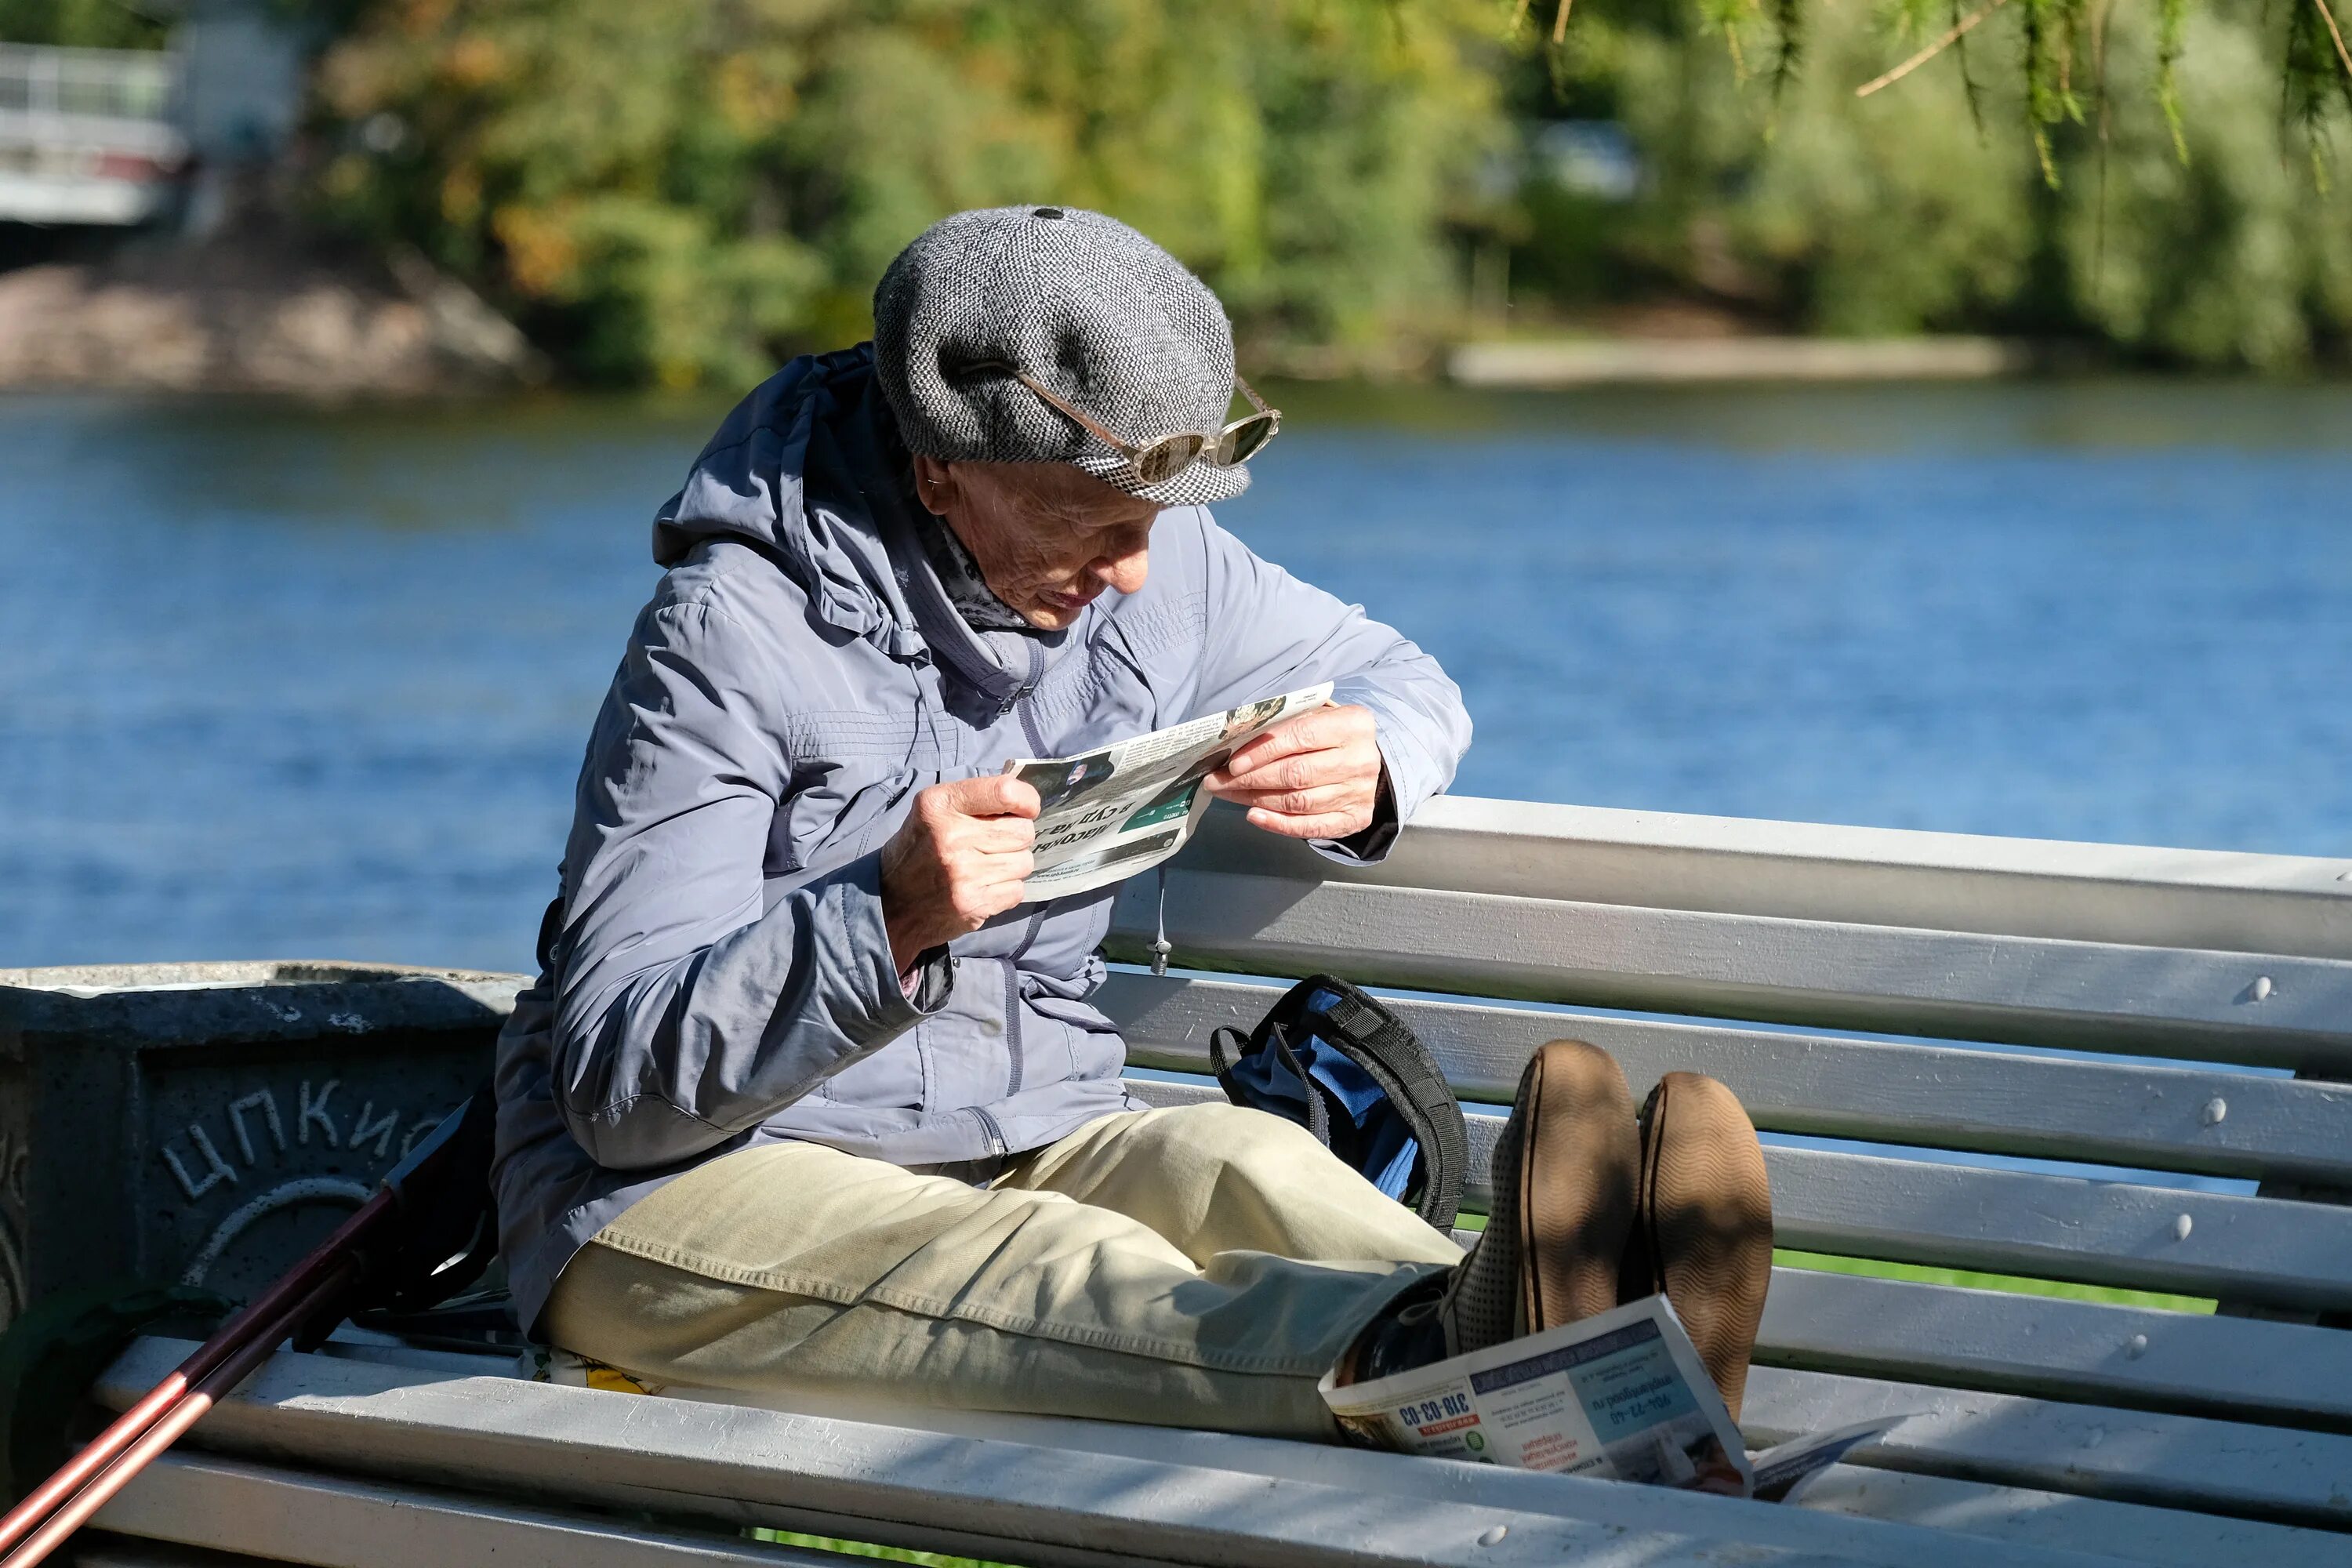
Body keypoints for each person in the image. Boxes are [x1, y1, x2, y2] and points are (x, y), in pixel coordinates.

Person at [490, 205, 1773, 1441]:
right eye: (1098, 522)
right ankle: (1462, 1361)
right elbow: (615, 1090)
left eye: (1156, 522)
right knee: (1060, 1263)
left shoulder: (1155, 565)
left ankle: (1576, 1338)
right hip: (677, 1201)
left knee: (1229, 1167)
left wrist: (1379, 752)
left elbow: (1401, 671)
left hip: (1024, 1129)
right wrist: (884, 917)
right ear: (944, 467)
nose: (1139, 569)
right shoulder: (727, 638)